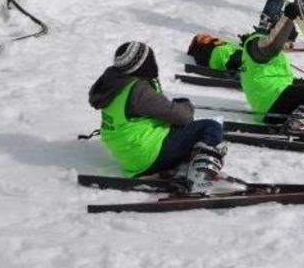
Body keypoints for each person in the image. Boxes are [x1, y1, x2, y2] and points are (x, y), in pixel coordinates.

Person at [88, 42, 243, 193]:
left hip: (128, 155)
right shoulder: (137, 89)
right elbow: (183, 117)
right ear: (143, 63)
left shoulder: (113, 85)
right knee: (210, 127)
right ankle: (202, 176)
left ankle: (188, 162)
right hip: (146, 154)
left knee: (180, 129)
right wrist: (187, 106)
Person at [239, 2, 304, 136]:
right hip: (270, 101)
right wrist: (288, 18)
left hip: (274, 100)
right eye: (288, 41)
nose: (289, 46)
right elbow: (272, 46)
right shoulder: (256, 43)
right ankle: (298, 123)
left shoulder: (264, 47)